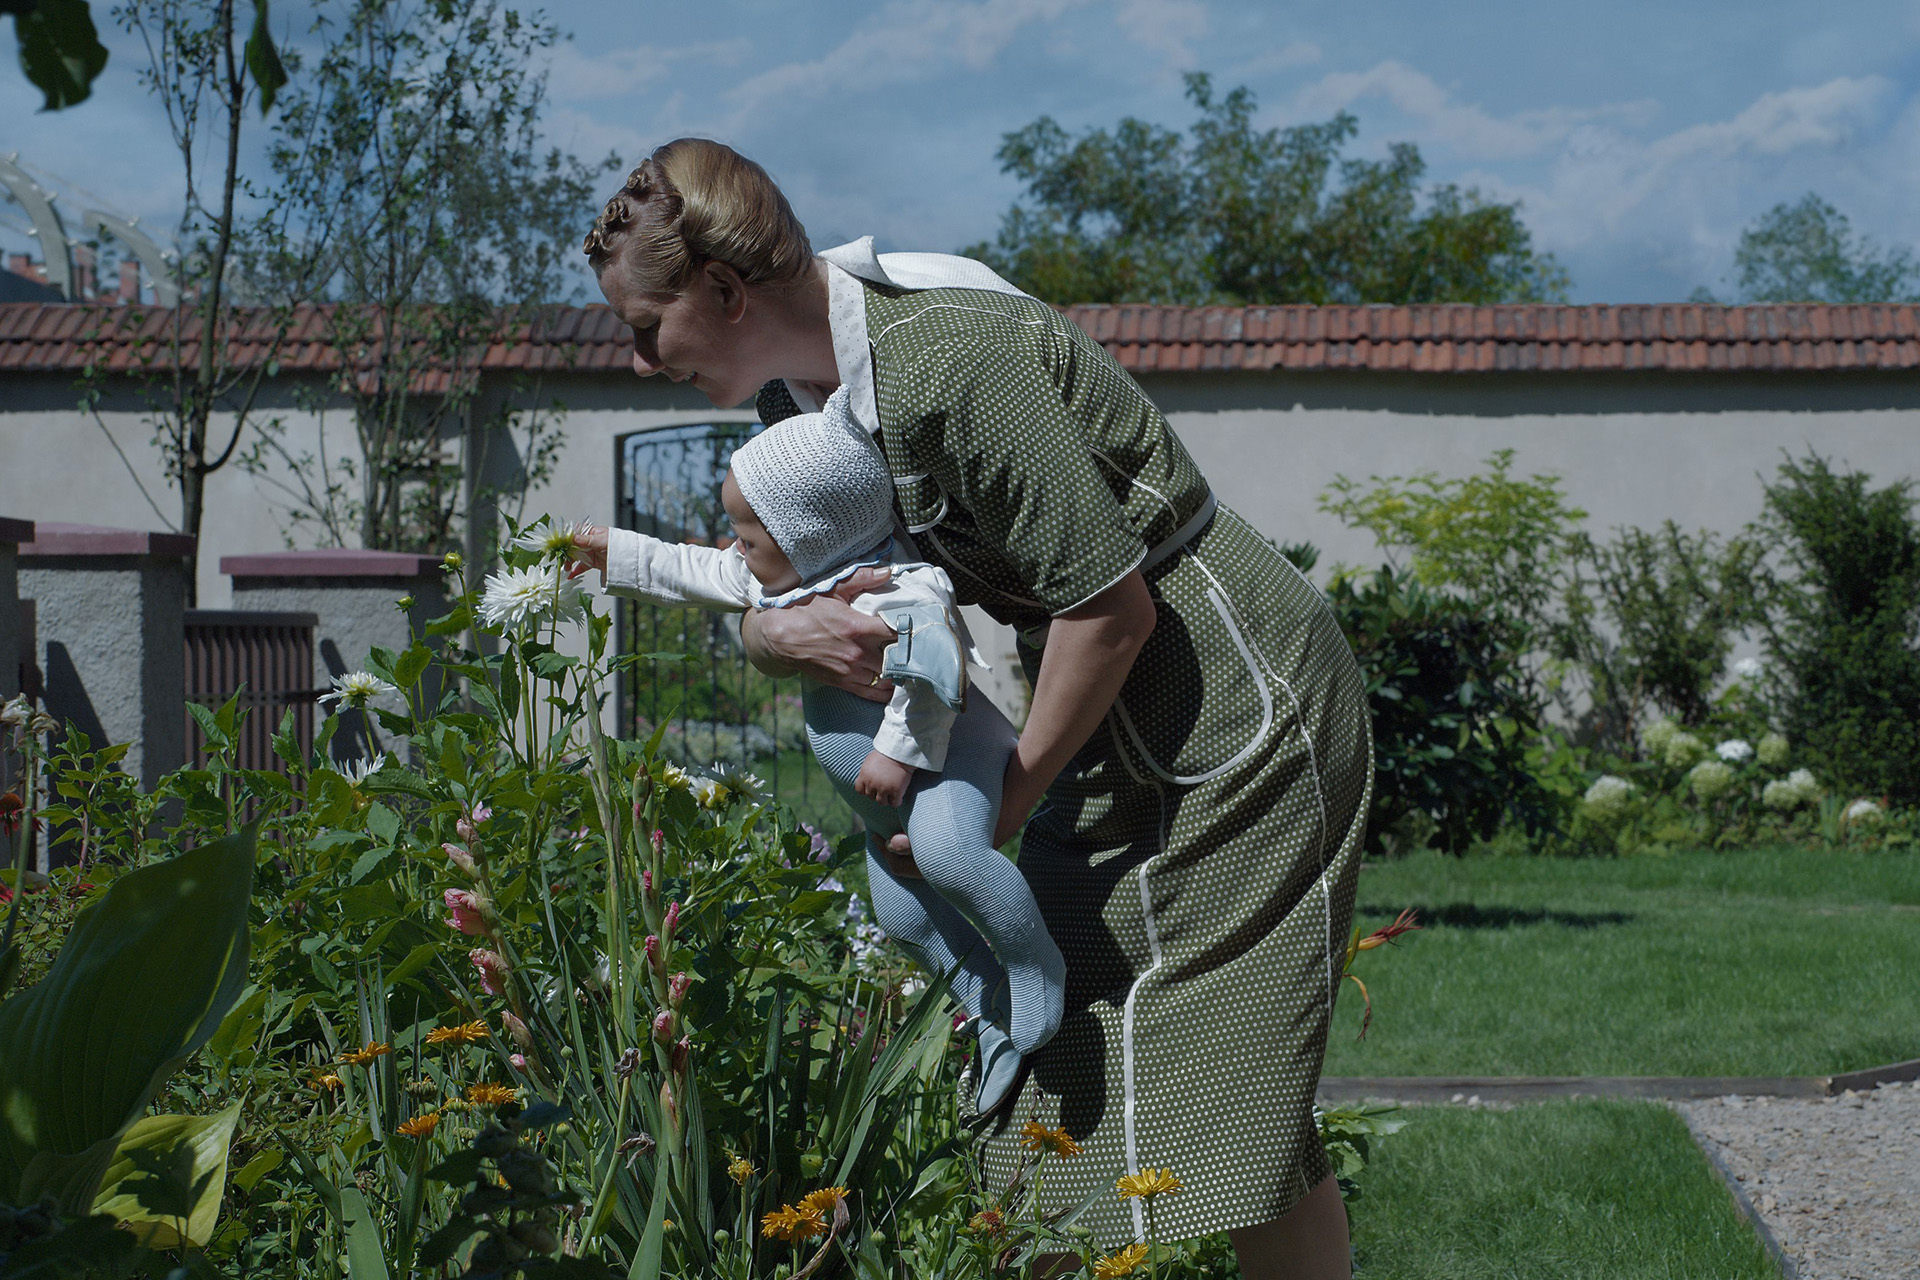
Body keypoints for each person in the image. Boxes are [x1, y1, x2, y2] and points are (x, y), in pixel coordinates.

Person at [576, 138, 1372, 1279]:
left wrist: (1015, 793)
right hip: (1107, 713)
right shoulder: (806, 401)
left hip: (1233, 703)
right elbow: (783, 577)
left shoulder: (946, 361)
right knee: (1045, 1049)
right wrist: (769, 634)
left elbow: (1112, 609)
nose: (641, 362)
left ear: (725, 291)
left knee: (1230, 1083)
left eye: (645, 329)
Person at [581, 388, 1066, 1114]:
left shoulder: (902, 587)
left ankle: (1035, 968)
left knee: (948, 856)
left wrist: (896, 754)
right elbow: (689, 570)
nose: (732, 546)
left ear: (809, 535)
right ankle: (986, 1003)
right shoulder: (786, 582)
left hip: (945, 764)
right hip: (882, 802)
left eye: (748, 535)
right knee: (903, 920)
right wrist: (609, 552)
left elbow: (937, 672)